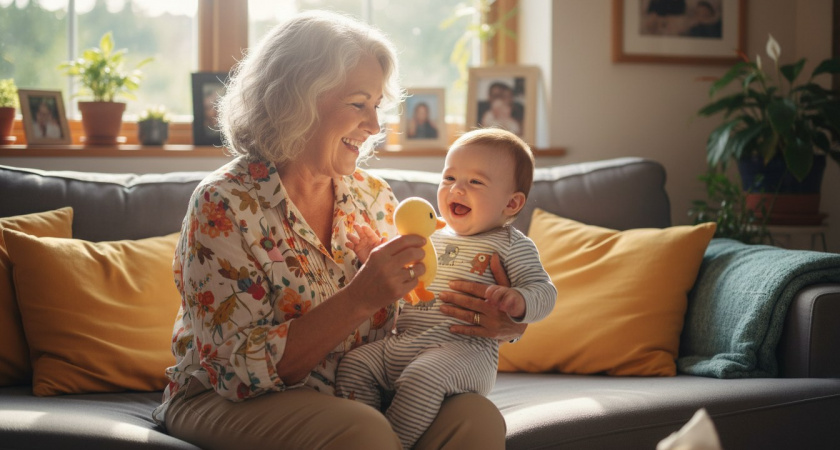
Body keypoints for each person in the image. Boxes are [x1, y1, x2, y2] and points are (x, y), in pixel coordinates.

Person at [154, 10, 523, 450]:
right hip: (226, 397)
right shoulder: (224, 203)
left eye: (377, 106)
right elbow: (235, 372)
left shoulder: (374, 196)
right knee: (360, 430)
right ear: (298, 98)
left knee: (474, 417)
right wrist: (358, 299)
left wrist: (501, 319)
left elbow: (421, 302)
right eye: (358, 103)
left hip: (359, 390)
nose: (374, 126)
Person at [336, 128, 557, 449]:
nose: (457, 189)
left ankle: (393, 442)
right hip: (406, 342)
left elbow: (545, 290)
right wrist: (373, 257)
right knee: (355, 366)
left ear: (512, 203)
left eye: (475, 182)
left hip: (465, 352)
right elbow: (397, 277)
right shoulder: (430, 235)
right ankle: (370, 432)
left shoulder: (512, 245)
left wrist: (519, 301)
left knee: (422, 377)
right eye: (449, 178)